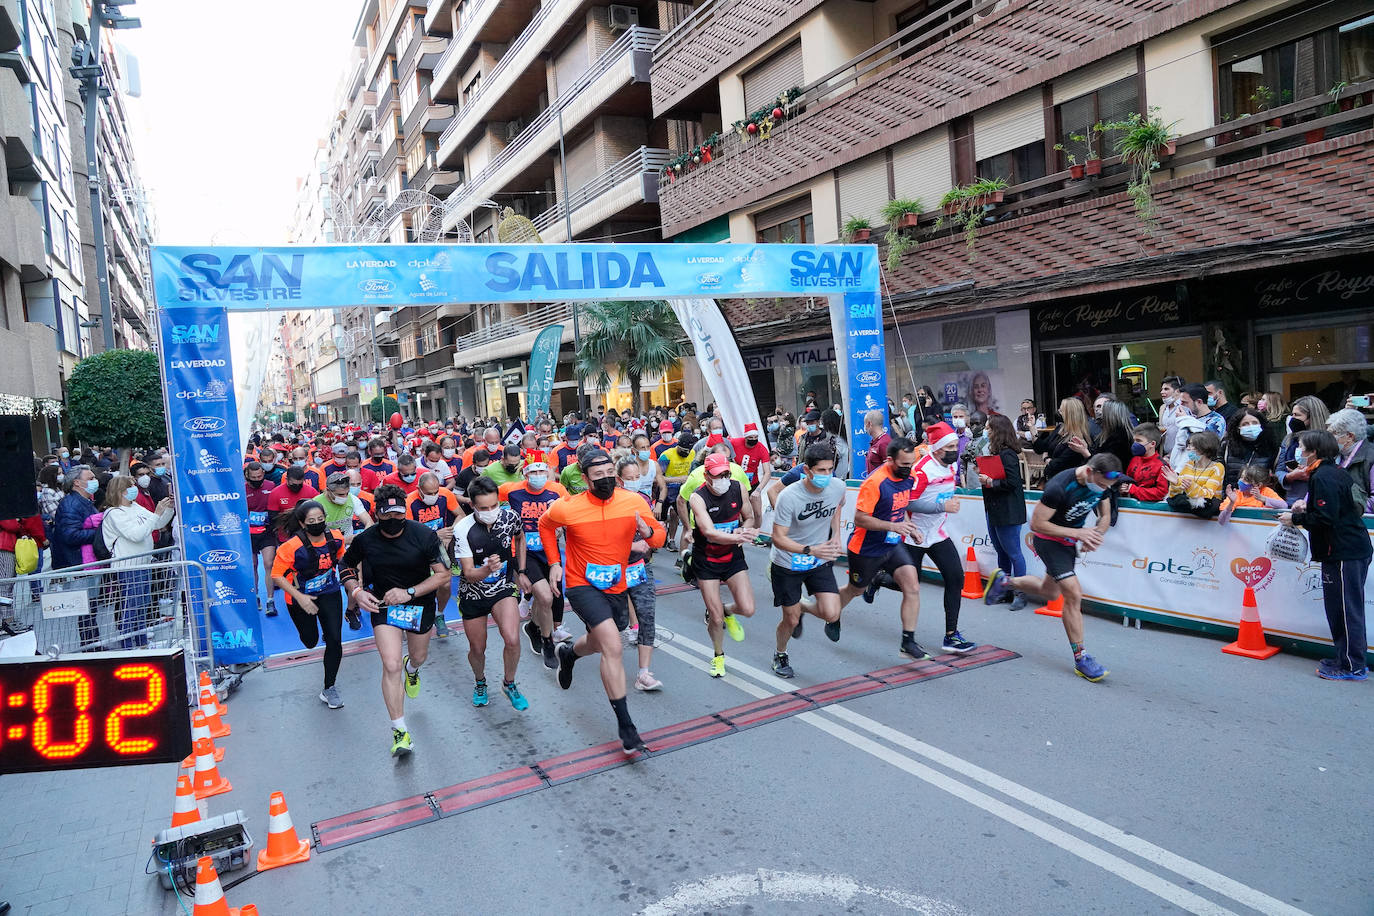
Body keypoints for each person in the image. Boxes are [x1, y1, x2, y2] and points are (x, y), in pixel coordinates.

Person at [538, 449, 667, 754]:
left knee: (601, 639)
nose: (606, 479)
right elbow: (545, 525)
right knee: (612, 644)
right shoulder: (568, 506)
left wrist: (648, 532)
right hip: (582, 584)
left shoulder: (633, 501)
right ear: (585, 479)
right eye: (598, 475)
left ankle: (569, 655)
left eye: (610, 472)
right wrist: (555, 562)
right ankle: (626, 726)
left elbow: (659, 538)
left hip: (615, 584)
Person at [985, 454, 1128, 682]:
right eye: (1101, 485)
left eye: (1107, 487)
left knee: (1049, 591)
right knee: (1073, 593)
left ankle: (1005, 582)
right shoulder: (1059, 486)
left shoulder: (1102, 484)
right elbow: (1037, 524)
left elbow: (1105, 515)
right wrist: (1079, 533)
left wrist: (1096, 535)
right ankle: (1082, 658)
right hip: (1048, 540)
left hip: (1068, 543)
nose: (1103, 490)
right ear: (1090, 472)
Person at [340, 485, 452, 757]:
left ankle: (412, 669)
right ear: (377, 514)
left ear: (405, 512)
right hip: (383, 605)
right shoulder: (365, 539)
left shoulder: (424, 535)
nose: (393, 521)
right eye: (386, 516)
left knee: (418, 657)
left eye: (398, 515)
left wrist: (409, 592)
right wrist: (356, 591)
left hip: (418, 604)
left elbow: (443, 575)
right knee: (390, 665)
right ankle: (400, 731)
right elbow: (345, 567)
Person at [1280, 430, 1370, 680]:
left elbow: (1325, 517)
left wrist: (1295, 518)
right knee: (1338, 608)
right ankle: (1344, 657)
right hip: (1342, 549)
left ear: (1314, 451)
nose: (1298, 452)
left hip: (1345, 550)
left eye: (1301, 447)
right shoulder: (1329, 473)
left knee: (1346, 609)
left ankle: (1354, 665)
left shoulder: (1325, 476)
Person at [881, 422, 977, 654]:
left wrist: (945, 505)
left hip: (937, 533)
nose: (956, 450)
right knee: (903, 584)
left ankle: (951, 636)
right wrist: (941, 505)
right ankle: (878, 580)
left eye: (956, 445)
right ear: (937, 448)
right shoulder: (922, 470)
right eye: (951, 446)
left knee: (956, 578)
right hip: (914, 533)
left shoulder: (952, 466)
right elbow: (907, 502)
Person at [833, 438, 930, 659]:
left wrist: (909, 527)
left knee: (912, 586)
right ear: (889, 460)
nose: (909, 469)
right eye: (903, 464)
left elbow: (900, 506)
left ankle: (908, 642)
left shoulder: (909, 476)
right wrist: (894, 525)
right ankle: (832, 612)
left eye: (911, 463)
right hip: (866, 547)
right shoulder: (875, 482)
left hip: (892, 543)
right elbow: (860, 519)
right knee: (855, 590)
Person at [452, 477, 530, 710]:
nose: (490, 512)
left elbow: (520, 537)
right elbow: (468, 572)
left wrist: (522, 571)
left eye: (494, 506)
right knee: (477, 648)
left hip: (503, 588)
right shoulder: (462, 529)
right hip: (473, 592)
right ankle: (480, 682)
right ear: (473, 506)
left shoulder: (510, 516)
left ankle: (509, 683)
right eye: (483, 508)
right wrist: (487, 568)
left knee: (513, 639)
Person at [768, 445, 846, 677]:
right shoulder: (789, 496)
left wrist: (837, 536)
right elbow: (778, 538)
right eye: (821, 470)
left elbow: (836, 507)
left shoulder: (838, 486)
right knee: (790, 621)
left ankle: (802, 605)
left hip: (818, 560)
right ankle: (780, 654)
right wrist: (810, 549)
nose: (826, 475)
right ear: (807, 470)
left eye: (830, 469)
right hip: (787, 563)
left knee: (832, 614)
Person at [688, 453, 760, 678]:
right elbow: (709, 532)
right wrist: (739, 538)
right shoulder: (697, 498)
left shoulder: (738, 488)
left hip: (732, 558)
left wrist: (743, 528)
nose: (724, 479)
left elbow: (749, 517)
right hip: (707, 560)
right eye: (719, 475)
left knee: (748, 609)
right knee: (715, 618)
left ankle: (728, 610)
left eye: (727, 474)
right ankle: (718, 656)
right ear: (707, 475)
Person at [272, 502, 349, 708]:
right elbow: (276, 575)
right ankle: (316, 631)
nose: (317, 524)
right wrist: (300, 597)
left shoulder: (335, 538)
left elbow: (341, 559)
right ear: (302, 524)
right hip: (300, 597)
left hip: (329, 592)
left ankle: (329, 688)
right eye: (311, 521)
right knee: (310, 641)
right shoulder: (291, 547)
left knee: (334, 640)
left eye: (320, 520)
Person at [502, 461, 570, 659]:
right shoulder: (511, 490)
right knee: (545, 596)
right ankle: (547, 641)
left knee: (552, 595)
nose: (538, 475)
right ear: (525, 475)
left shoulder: (557, 490)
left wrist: (560, 526)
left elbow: (568, 514)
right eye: (533, 472)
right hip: (524, 551)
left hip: (549, 551)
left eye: (542, 471)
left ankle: (534, 627)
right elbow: (483, 495)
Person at [102, 475, 175, 648]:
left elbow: (156, 524)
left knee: (142, 605)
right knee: (132, 605)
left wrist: (168, 510)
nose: (135, 489)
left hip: (144, 562)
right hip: (128, 566)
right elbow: (136, 534)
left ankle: (141, 641)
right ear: (121, 491)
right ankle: (127, 643)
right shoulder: (114, 514)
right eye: (131, 486)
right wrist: (156, 513)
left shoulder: (135, 507)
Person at [615, 456, 663, 690]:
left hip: (638, 567)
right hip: (611, 569)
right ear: (618, 480)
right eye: (629, 478)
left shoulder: (643, 500)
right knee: (615, 623)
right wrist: (629, 546)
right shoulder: (609, 502)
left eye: (637, 478)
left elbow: (655, 533)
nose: (634, 482)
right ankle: (572, 653)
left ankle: (643, 673)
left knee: (647, 616)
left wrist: (650, 533)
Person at [979, 414, 1028, 611]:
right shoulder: (995, 452)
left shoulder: (1008, 454)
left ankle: (1020, 592)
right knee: (1001, 551)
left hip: (1008, 510)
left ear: (997, 431)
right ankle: (1005, 589)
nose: (986, 431)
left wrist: (991, 482)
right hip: (995, 509)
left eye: (989, 428)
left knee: (1014, 552)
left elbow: (1014, 482)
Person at [405, 472, 461, 638]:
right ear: (419, 489)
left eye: (436, 491)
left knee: (445, 584)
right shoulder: (409, 502)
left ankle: (439, 614)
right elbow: (407, 534)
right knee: (418, 586)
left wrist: (450, 533)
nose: (434, 496)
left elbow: (460, 515)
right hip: (416, 548)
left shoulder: (445, 494)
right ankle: (413, 620)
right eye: (429, 493)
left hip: (438, 547)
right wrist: (435, 535)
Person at [1276, 395, 1329, 503]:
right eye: (1292, 414)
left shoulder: (1328, 440)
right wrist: (1289, 477)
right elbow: (1279, 470)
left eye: (1297, 415)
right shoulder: (1289, 439)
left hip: (1320, 499)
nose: (1293, 419)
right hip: (1292, 499)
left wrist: (1310, 474)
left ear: (1312, 417)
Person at [1163, 430, 1224, 519]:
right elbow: (1174, 495)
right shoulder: (1188, 464)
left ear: (1203, 447)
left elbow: (1208, 494)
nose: (1187, 448)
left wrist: (1190, 487)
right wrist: (1175, 483)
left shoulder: (1217, 467)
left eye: (1191, 445)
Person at [244, 461, 278, 616]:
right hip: (249, 534)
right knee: (252, 565)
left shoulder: (271, 486)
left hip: (267, 532)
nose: (257, 479)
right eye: (253, 477)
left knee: (268, 564)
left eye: (259, 476)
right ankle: (255, 595)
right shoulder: (242, 489)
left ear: (263, 474)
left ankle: (270, 601)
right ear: (247, 476)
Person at [1327, 408, 1374, 512]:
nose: (1329, 438)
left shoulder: (1371, 457)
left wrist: (1345, 507)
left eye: (1334, 433)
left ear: (1350, 436)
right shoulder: (1333, 455)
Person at [1034, 398, 1091, 481]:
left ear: (1069, 415)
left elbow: (1058, 464)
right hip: (1053, 478)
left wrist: (1047, 458)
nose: (1058, 412)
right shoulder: (1060, 428)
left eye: (1061, 411)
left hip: (1067, 481)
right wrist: (1033, 432)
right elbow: (1041, 447)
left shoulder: (1077, 438)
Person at [1221, 409, 1279, 489]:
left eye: (1254, 423)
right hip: (1232, 496)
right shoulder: (1226, 447)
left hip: (1260, 496)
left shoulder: (1272, 448)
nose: (1251, 426)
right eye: (1245, 424)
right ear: (1238, 428)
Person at [658, 432, 696, 550]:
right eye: (684, 450)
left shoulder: (693, 453)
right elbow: (657, 478)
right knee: (661, 518)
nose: (687, 453)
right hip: (665, 491)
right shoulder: (666, 456)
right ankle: (660, 536)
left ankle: (672, 540)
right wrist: (678, 479)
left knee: (682, 516)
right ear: (677, 446)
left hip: (682, 491)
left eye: (688, 450)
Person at [731, 422, 771, 525]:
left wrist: (758, 489)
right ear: (745, 437)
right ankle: (741, 535)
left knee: (757, 513)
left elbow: (767, 473)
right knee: (739, 513)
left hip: (753, 484)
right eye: (751, 437)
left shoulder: (761, 449)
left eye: (756, 437)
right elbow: (723, 445)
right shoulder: (735, 443)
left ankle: (756, 534)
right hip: (737, 484)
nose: (753, 439)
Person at [1218, 464, 1286, 524]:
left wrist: (1263, 499)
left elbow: (1284, 506)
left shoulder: (1265, 491)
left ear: (1258, 485)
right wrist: (1231, 503)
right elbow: (1221, 521)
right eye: (1241, 477)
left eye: (1246, 479)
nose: (1240, 481)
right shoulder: (1236, 495)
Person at [1121, 423, 1169, 503]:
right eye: (1134, 441)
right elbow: (1128, 481)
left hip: (1151, 511)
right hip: (1132, 509)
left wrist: (1133, 489)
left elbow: (1161, 493)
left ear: (1152, 444)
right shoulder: (1134, 460)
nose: (1135, 444)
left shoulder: (1162, 466)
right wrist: (1123, 488)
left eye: (1139, 441)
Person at [1157, 376, 1189, 457]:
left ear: (1177, 391)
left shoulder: (1185, 407)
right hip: (1165, 455)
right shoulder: (1162, 408)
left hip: (1182, 454)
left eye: (1166, 389)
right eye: (1162, 389)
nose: (1162, 392)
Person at [453, 447, 492, 514]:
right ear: (474, 463)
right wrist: (469, 500)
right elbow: (456, 495)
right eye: (480, 466)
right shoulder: (464, 474)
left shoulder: (491, 471)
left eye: (485, 465)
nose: (483, 468)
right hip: (470, 510)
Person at [863, 409, 890, 477]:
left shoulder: (884, 443)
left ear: (869, 424)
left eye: (865, 424)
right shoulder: (875, 441)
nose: (865, 427)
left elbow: (890, 470)